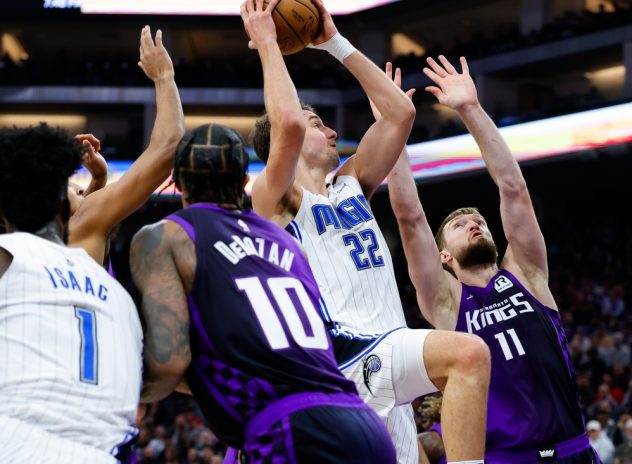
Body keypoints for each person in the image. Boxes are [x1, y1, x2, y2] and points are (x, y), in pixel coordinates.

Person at [129, 2, 396, 462]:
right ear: (243, 181)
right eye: (317, 123)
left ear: (177, 185)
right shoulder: (281, 239)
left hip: (290, 423)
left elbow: (172, 362)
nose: (329, 131)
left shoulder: (172, 235)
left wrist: (114, 384)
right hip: (355, 408)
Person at [251, 2, 491, 463]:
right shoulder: (274, 198)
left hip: (384, 358)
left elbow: (400, 113)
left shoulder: (351, 183)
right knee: (468, 356)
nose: (331, 131)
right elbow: (288, 124)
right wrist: (268, 44)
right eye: (318, 124)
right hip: (343, 355)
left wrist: (334, 42)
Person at [385, 55, 595, 463]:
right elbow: (410, 218)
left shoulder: (527, 274)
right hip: (505, 457)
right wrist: (393, 129)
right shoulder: (447, 303)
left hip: (574, 449)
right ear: (444, 255)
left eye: (479, 221)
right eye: (460, 224)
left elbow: (513, 188)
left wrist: (471, 108)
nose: (474, 224)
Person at [0, 124, 143, 463]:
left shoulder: (10, 259)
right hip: (104, 449)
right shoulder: (116, 293)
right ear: (64, 210)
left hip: (21, 440)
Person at [68, 25, 185, 265]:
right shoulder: (79, 227)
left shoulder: (21, 237)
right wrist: (164, 77)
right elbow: (169, 145)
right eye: (68, 185)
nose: (81, 191)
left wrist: (99, 179)